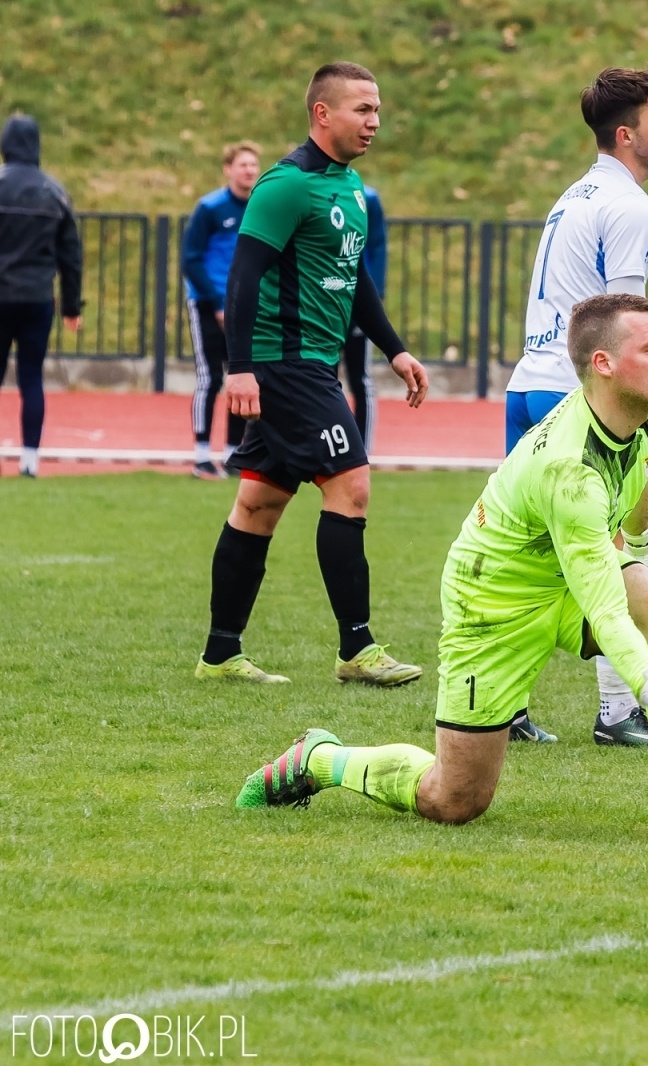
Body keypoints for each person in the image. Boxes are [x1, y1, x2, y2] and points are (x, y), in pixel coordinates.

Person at [235, 294, 648, 841]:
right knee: (454, 799)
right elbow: (605, 610)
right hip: (492, 602)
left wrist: (638, 547)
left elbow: (635, 483)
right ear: (603, 364)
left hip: (562, 573)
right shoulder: (569, 473)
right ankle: (319, 759)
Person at [195, 62, 430, 686]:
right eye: (362, 109)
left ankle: (220, 656)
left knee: (260, 502)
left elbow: (354, 279)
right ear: (322, 113)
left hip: (311, 365)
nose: (374, 121)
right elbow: (241, 279)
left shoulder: (348, 188)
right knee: (350, 484)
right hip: (285, 365)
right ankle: (357, 648)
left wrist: (395, 349)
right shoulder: (286, 185)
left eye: (378, 109)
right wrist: (238, 370)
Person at [503, 66, 648, 748]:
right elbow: (626, 323)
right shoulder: (629, 204)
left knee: (534, 558)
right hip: (571, 395)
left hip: (529, 386)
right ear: (629, 133)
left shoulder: (575, 193)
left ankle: (503, 703)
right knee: (617, 555)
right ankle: (618, 712)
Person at [0, 115, 82, 479]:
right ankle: (30, 459)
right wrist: (70, 305)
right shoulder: (55, 192)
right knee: (31, 376)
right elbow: (71, 255)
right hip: (37, 298)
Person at [181, 141, 259, 479]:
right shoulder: (210, 208)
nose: (249, 171)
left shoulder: (260, 207)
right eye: (242, 165)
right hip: (208, 303)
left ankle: (232, 453)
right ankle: (201, 454)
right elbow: (191, 258)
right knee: (209, 377)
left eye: (254, 165)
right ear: (228, 169)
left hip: (244, 306)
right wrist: (215, 302)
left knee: (240, 377)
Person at [340, 183, 386, 448]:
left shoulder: (366, 197)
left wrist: (374, 297)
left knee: (360, 376)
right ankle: (325, 447)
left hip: (357, 300)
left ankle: (363, 448)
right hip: (323, 301)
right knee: (320, 374)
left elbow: (377, 246)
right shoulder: (307, 192)